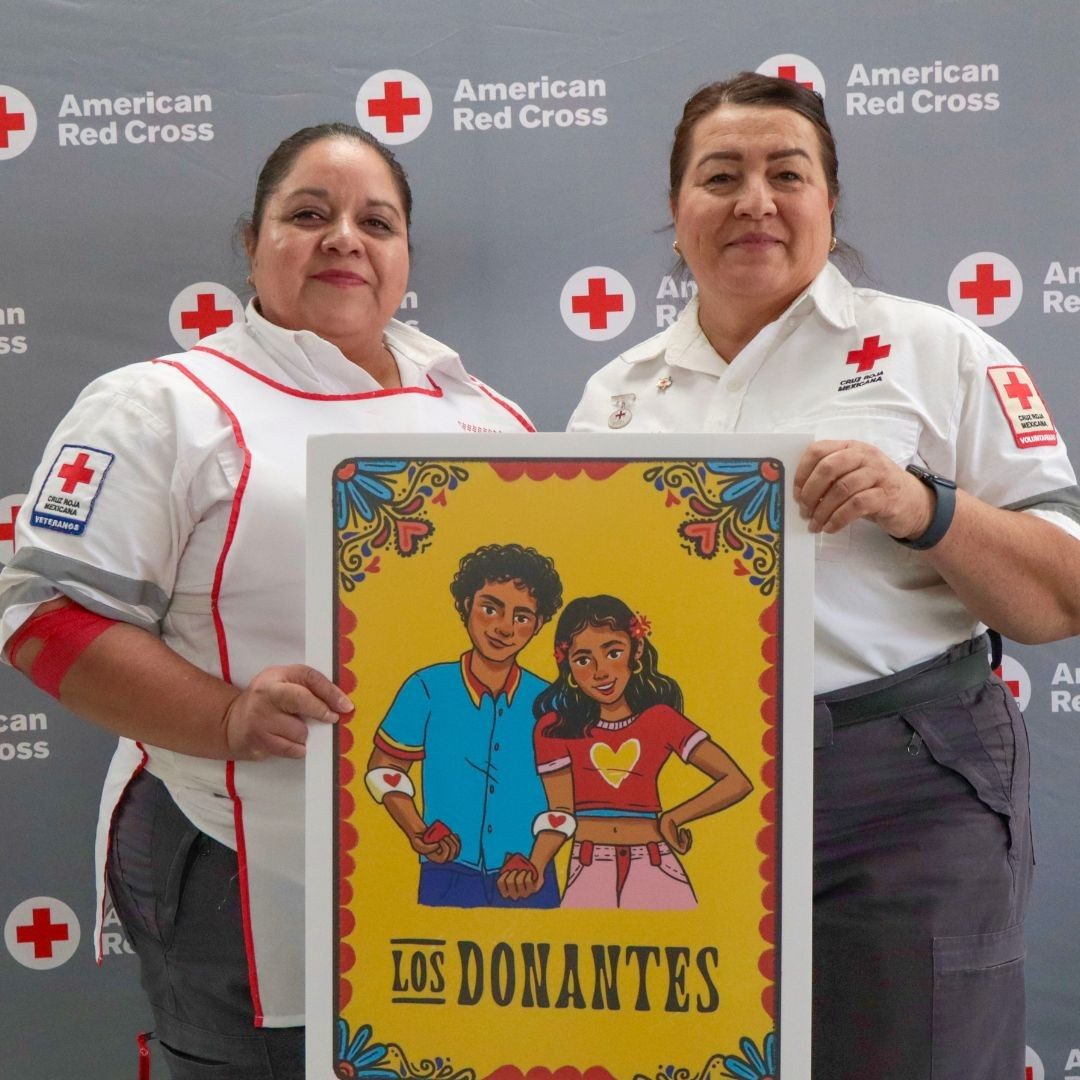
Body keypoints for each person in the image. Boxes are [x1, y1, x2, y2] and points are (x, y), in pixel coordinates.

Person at [567, 72, 1080, 1079]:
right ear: (676, 216)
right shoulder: (615, 398)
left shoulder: (937, 351)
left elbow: (1064, 593)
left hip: (900, 783)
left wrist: (922, 506)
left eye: (785, 173)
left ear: (828, 203)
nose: (754, 199)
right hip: (686, 792)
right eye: (721, 176)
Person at [0, 122, 535, 1080]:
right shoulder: (163, 405)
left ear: (406, 254)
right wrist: (228, 713)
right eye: (308, 214)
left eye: (377, 220)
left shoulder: (487, 416)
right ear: (251, 242)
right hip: (237, 860)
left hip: (455, 862)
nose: (344, 238)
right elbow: (44, 619)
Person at [497, 594, 752, 909]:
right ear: (568, 668)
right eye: (583, 660)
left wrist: (674, 816)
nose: (600, 671)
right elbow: (561, 813)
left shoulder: (660, 720)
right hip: (589, 863)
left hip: (655, 860)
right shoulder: (555, 727)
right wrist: (535, 865)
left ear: (637, 650)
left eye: (613, 652)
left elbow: (736, 780)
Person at [367, 542, 564, 908]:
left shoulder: (549, 703)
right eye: (491, 608)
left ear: (537, 626)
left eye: (522, 617)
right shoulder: (426, 687)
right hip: (446, 871)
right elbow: (385, 768)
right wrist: (417, 830)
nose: (504, 628)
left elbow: (564, 801)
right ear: (465, 606)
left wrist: (536, 863)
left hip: (528, 876)